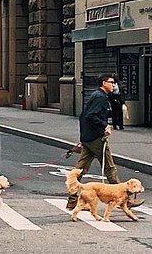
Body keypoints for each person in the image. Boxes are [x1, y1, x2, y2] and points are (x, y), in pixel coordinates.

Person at [66, 73, 122, 210]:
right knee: (109, 167)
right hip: (95, 138)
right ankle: (123, 198)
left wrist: (84, 136)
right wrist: (104, 126)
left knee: (80, 169)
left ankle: (72, 200)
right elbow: (91, 116)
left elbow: (84, 116)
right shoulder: (100, 97)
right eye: (111, 82)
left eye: (114, 82)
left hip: (88, 137)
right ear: (104, 83)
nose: (113, 85)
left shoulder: (97, 95)